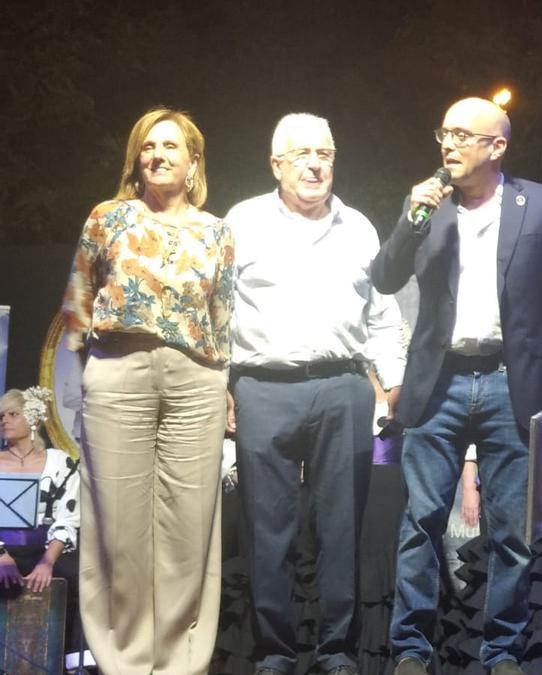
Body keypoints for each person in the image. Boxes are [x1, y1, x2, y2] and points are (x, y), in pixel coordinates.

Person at [370, 97, 542, 675]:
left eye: (464, 135)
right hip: (437, 384)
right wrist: (412, 215)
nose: (449, 144)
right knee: (421, 521)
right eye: (444, 133)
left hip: (510, 380)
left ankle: (502, 652)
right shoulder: (429, 206)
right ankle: (412, 651)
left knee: (512, 531)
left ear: (498, 147)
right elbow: (385, 276)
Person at [225, 112, 407, 675]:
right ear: (276, 164)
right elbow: (217, 309)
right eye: (302, 153)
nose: (315, 163)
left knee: (341, 528)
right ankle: (275, 652)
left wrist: (394, 381)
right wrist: (220, 383)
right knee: (267, 529)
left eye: (325, 153)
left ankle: (336, 651)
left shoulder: (359, 227)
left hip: (343, 387)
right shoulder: (242, 221)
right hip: (262, 388)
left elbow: (381, 313)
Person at [60, 106, 233, 675]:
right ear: (136, 159)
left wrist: (222, 381)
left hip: (196, 381)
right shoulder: (108, 217)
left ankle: (182, 662)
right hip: (118, 371)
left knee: (189, 525)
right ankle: (127, 661)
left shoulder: (216, 231)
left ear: (193, 161)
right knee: (120, 524)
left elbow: (222, 318)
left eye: (170, 146)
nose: (157, 155)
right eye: (147, 147)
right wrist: (96, 367)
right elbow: (78, 303)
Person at [0, 386, 82, 648]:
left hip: (44, 550)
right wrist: (2, 556)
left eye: (12, 414)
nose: (4, 420)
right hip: (3, 549)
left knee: (85, 579)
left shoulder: (60, 463)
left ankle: (70, 660)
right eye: (1, 416)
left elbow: (68, 518)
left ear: (33, 419)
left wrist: (47, 561)